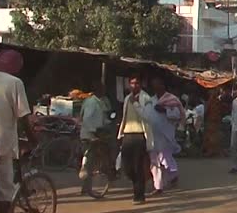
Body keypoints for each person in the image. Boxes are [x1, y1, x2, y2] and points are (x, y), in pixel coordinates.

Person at [0, 49, 36, 213]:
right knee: (4, 195)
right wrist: (32, 139)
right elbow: (24, 117)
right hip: (1, 146)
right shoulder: (15, 83)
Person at [117, 76, 154, 204]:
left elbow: (147, 116)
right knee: (127, 167)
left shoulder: (146, 98)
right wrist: (120, 134)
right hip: (127, 134)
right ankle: (138, 183)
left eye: (137, 83)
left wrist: (136, 104)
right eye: (132, 83)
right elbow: (125, 117)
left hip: (140, 135)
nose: (134, 85)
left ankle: (139, 195)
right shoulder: (127, 98)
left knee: (138, 166)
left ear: (141, 84)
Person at [148, 77, 184, 195]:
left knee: (165, 159)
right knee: (154, 161)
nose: (156, 87)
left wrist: (165, 110)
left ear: (163, 85)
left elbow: (178, 114)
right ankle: (158, 186)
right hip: (153, 134)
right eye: (154, 85)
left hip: (166, 135)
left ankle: (173, 175)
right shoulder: (151, 100)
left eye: (158, 84)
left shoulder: (171, 99)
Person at [79, 81, 108, 195]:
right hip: (90, 135)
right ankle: (86, 187)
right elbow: (87, 118)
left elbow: (102, 117)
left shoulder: (100, 102)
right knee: (89, 162)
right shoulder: (92, 102)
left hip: (95, 133)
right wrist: (93, 133)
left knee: (89, 162)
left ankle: (86, 186)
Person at [202, 88, 224, 157]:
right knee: (210, 136)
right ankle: (210, 150)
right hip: (211, 120)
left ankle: (213, 151)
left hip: (215, 121)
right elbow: (206, 110)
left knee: (214, 136)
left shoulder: (217, 101)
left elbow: (219, 111)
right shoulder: (210, 101)